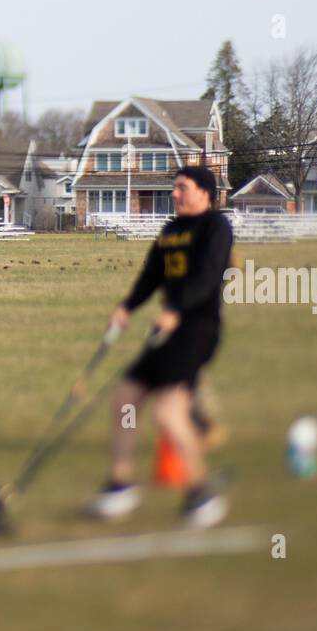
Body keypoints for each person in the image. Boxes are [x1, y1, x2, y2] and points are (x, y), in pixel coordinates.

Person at [87, 164, 233, 527]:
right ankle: (120, 484)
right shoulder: (170, 230)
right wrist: (127, 306)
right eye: (175, 188)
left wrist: (176, 309)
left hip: (197, 329)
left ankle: (201, 490)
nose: (175, 194)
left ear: (203, 192)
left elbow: (208, 276)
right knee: (125, 398)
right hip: (167, 327)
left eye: (182, 188)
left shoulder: (215, 227)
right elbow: (153, 273)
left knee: (168, 411)